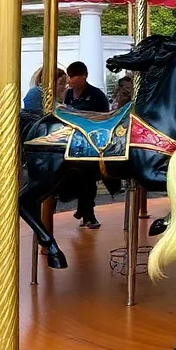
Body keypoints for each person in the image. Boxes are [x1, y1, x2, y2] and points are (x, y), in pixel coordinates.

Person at [63, 61, 109, 229]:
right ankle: (83, 209)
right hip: (70, 140)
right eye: (69, 76)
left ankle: (88, 212)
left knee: (88, 175)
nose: (70, 80)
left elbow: (104, 117)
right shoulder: (67, 95)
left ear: (83, 76)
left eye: (74, 76)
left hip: (90, 142)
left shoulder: (96, 95)